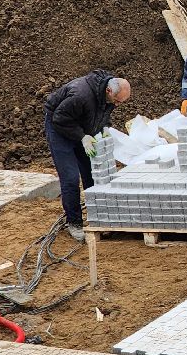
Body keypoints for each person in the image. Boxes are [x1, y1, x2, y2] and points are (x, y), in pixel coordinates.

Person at [43, 70, 131, 240]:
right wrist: (82, 137)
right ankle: (74, 222)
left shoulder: (108, 95)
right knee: (70, 177)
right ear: (108, 91)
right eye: (117, 101)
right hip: (59, 128)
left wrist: (104, 126)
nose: (117, 105)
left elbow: (102, 112)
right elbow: (59, 119)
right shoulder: (80, 95)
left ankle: (97, 216)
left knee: (92, 173)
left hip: (80, 125)